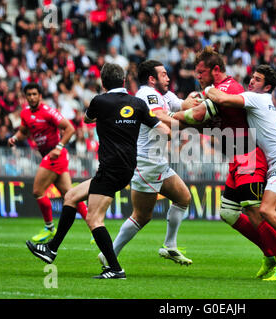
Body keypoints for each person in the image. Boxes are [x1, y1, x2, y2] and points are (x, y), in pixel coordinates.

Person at [171, 49, 276, 280]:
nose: (198, 76)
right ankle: (271, 253)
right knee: (228, 212)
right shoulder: (235, 94)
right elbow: (208, 124)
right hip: (240, 157)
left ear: (215, 70)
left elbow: (199, 114)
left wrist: (171, 113)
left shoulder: (233, 90)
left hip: (250, 156)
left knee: (258, 212)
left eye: (201, 72)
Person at [26, 63, 170, 279]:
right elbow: (165, 130)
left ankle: (115, 268)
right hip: (125, 167)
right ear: (123, 82)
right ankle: (51, 249)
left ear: (103, 83)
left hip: (111, 167)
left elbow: (87, 119)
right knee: (71, 196)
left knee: (94, 219)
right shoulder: (138, 104)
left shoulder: (100, 101)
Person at [98, 60, 194, 267]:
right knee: (142, 216)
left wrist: (200, 100)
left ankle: (169, 246)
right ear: (152, 79)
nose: (168, 78)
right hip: (146, 162)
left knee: (183, 198)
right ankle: (109, 254)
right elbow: (161, 116)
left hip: (158, 162)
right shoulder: (146, 95)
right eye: (163, 74)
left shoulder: (163, 95)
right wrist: (190, 121)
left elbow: (183, 105)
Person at [8, 83, 88, 243]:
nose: (31, 97)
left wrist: (59, 147)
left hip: (54, 155)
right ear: (25, 97)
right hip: (50, 155)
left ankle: (50, 227)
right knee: (70, 195)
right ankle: (94, 226)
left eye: (34, 94)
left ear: (40, 96)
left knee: (38, 190)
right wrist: (15, 138)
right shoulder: (25, 114)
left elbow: (70, 128)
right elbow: (24, 131)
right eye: (29, 95)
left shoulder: (48, 112)